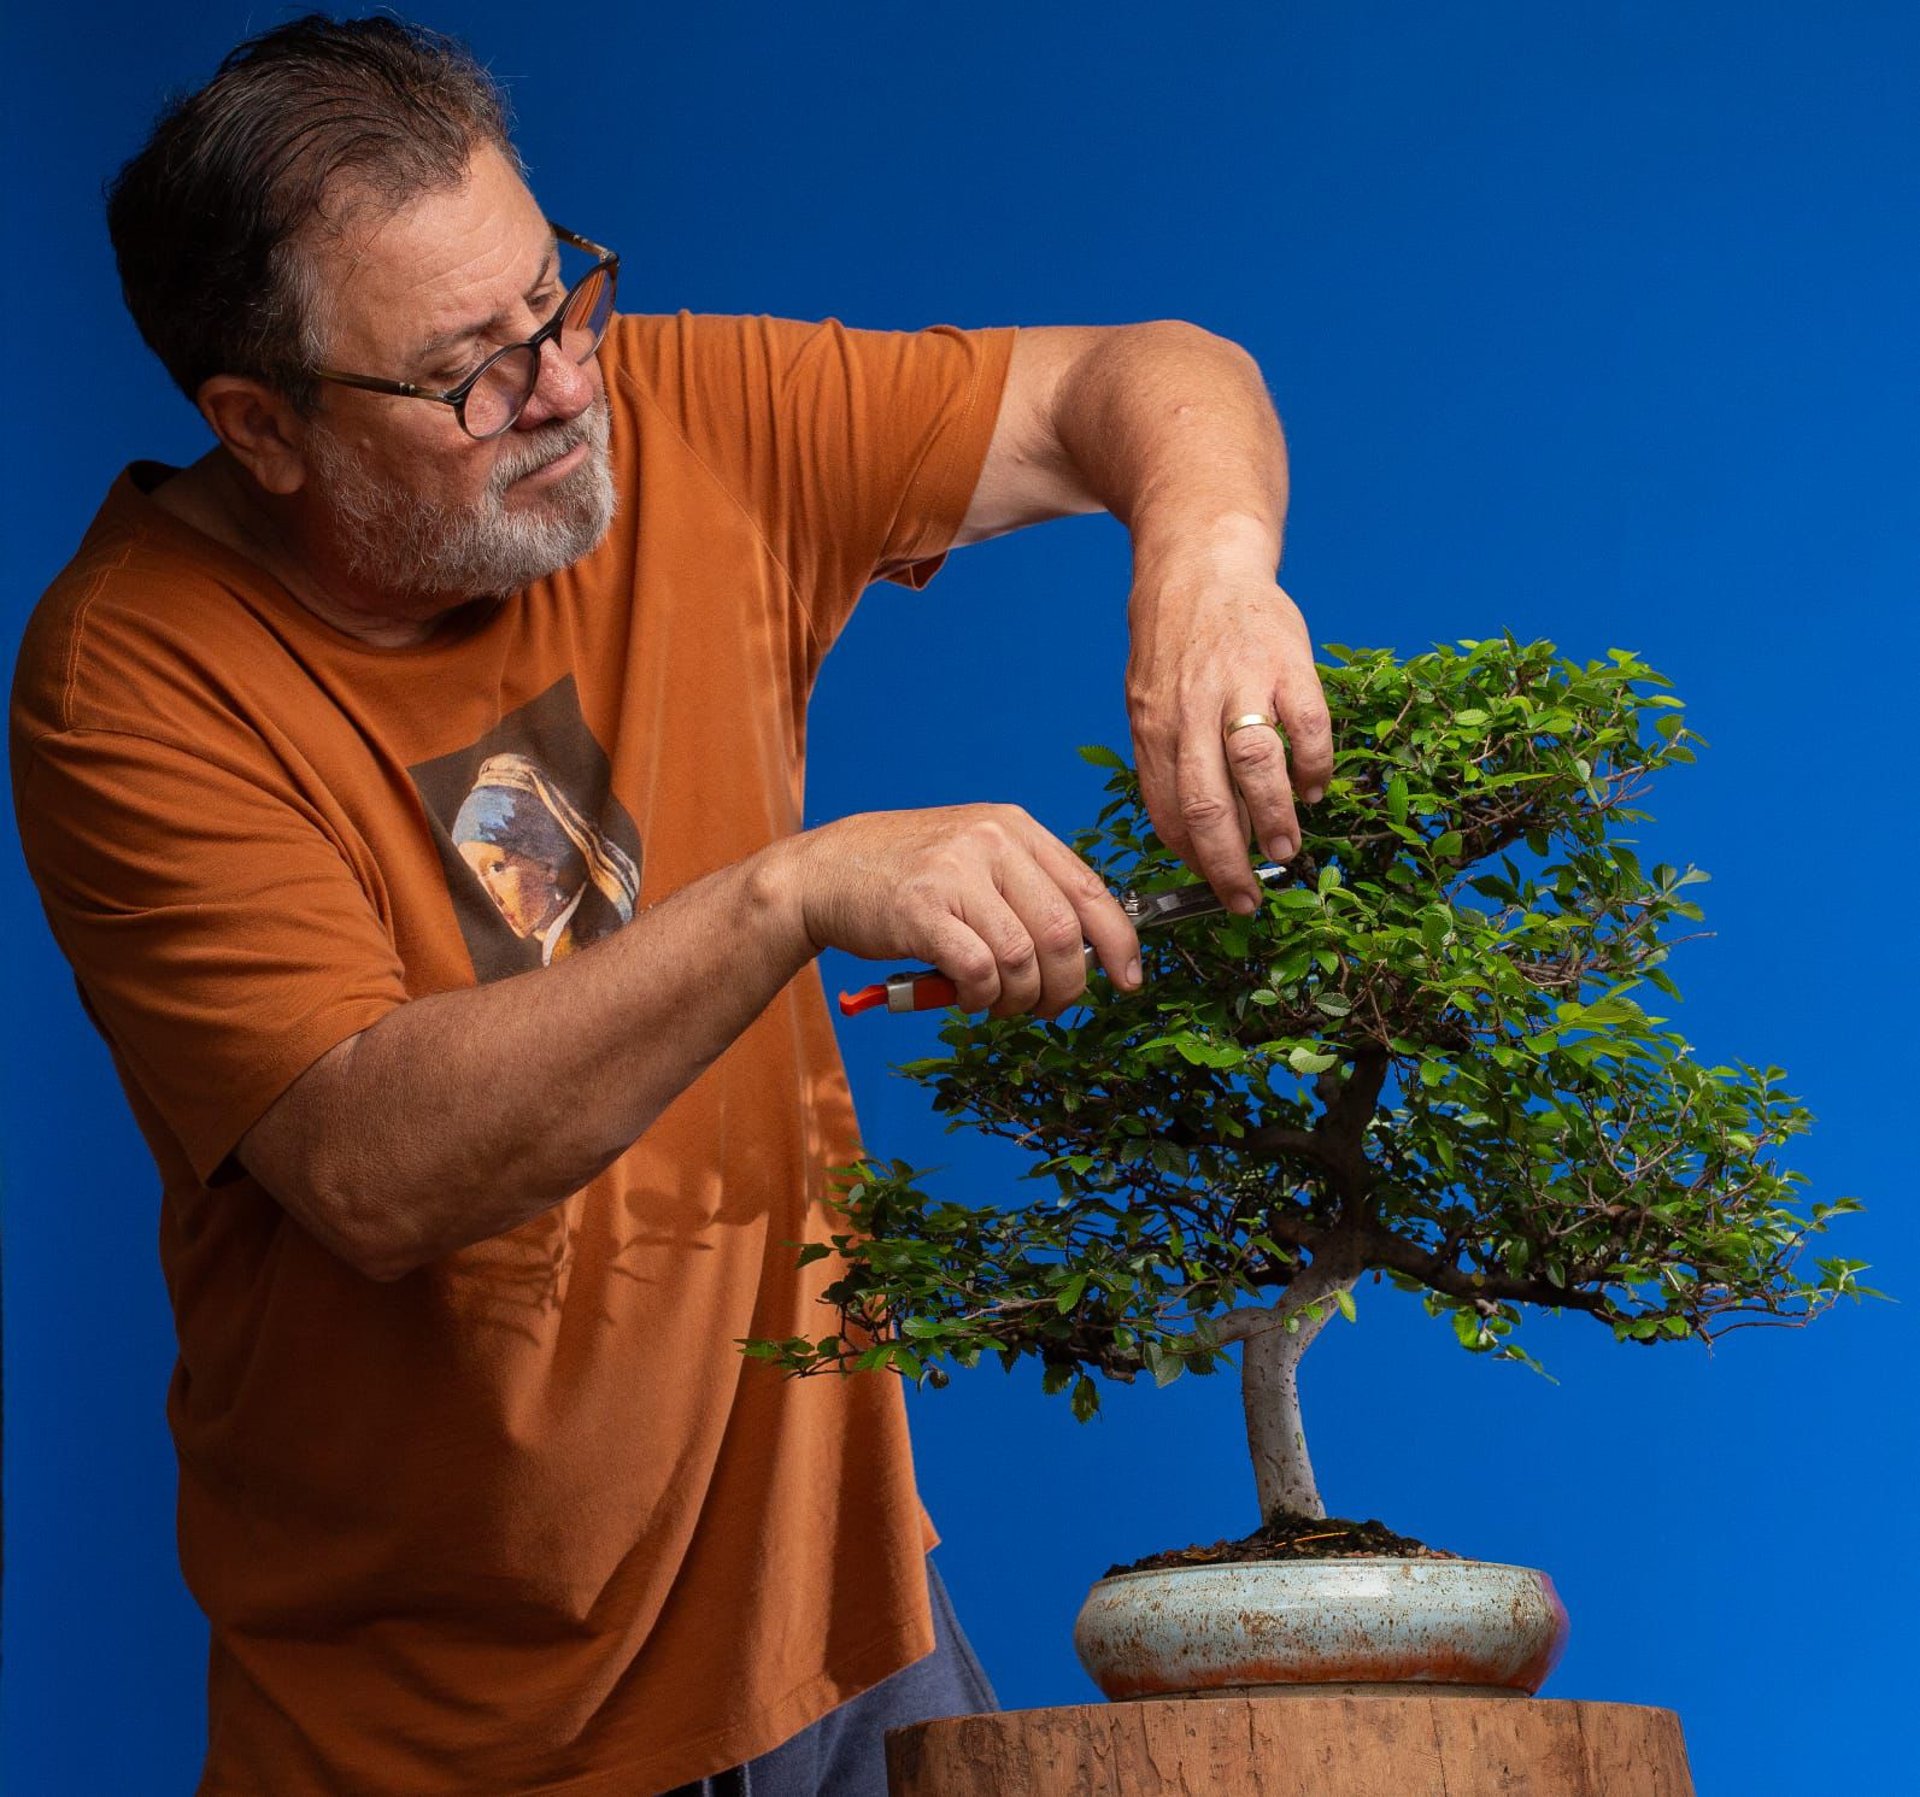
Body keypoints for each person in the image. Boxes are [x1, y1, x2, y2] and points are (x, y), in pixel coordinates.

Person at [9, 13, 1332, 1795]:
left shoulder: (682, 419)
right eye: (466, 370)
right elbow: (372, 1163)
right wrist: (789, 890)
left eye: (559, 296)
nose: (560, 386)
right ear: (263, 426)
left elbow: (1153, 374)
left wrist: (1208, 567)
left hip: (844, 1632)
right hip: (442, 1727)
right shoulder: (134, 681)